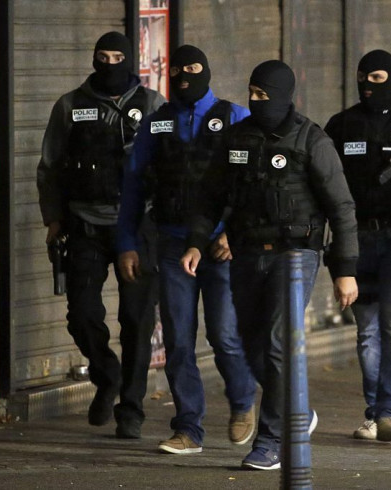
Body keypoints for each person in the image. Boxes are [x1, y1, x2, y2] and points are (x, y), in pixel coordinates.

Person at [180, 60, 359, 470]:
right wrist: (195, 242)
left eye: (264, 95)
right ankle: (297, 410)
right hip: (246, 253)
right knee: (252, 344)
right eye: (252, 94)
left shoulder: (311, 140)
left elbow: (342, 208)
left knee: (278, 344)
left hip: (296, 256)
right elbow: (210, 197)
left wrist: (344, 269)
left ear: (284, 96)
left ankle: (273, 439)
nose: (257, 102)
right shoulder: (235, 139)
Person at [117, 45, 257, 455]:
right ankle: (189, 428)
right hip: (173, 242)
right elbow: (133, 188)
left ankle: (243, 401)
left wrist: (233, 234)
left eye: (193, 68)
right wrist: (126, 243)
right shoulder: (157, 124)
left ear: (207, 71)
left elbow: (253, 183)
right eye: (176, 69)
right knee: (178, 339)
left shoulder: (235, 118)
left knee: (224, 334)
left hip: (221, 247)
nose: (183, 75)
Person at [36, 31, 165, 439]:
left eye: (116, 57)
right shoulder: (71, 106)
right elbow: (50, 167)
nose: (109, 64)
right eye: (102, 56)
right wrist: (53, 219)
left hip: (138, 226)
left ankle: (132, 410)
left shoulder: (152, 105)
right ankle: (107, 375)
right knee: (82, 315)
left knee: (136, 322)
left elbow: (172, 164)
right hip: (85, 225)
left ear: (130, 60)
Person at [324, 49, 391, 442]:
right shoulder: (342, 125)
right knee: (366, 328)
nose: (368, 85)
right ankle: (373, 411)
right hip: (357, 236)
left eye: (378, 78)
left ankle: (390, 412)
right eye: (362, 77)